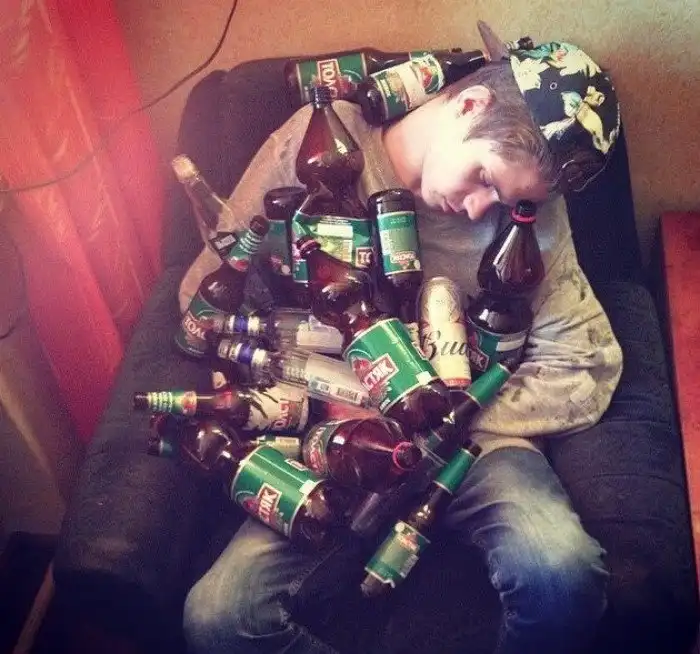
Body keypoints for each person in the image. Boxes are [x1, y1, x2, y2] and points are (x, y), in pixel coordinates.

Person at [179, 23, 623, 654]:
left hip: (474, 443)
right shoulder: (315, 147)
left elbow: (585, 361)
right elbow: (207, 294)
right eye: (485, 179)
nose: (483, 210)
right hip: (334, 438)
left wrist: (439, 420)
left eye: (508, 202)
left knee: (562, 576)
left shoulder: (530, 210)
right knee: (220, 618)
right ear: (469, 105)